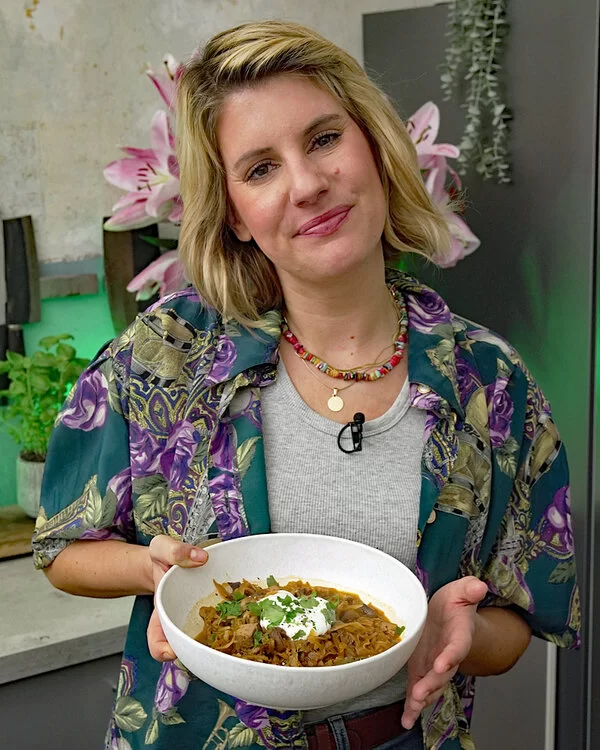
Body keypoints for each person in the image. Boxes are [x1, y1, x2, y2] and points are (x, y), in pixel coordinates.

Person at [33, 19, 580, 750]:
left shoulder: (489, 382)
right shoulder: (167, 355)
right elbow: (61, 548)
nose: (309, 184)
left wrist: (463, 631)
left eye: (324, 139)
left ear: (374, 147)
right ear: (233, 211)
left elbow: (519, 617)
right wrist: (150, 567)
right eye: (260, 168)